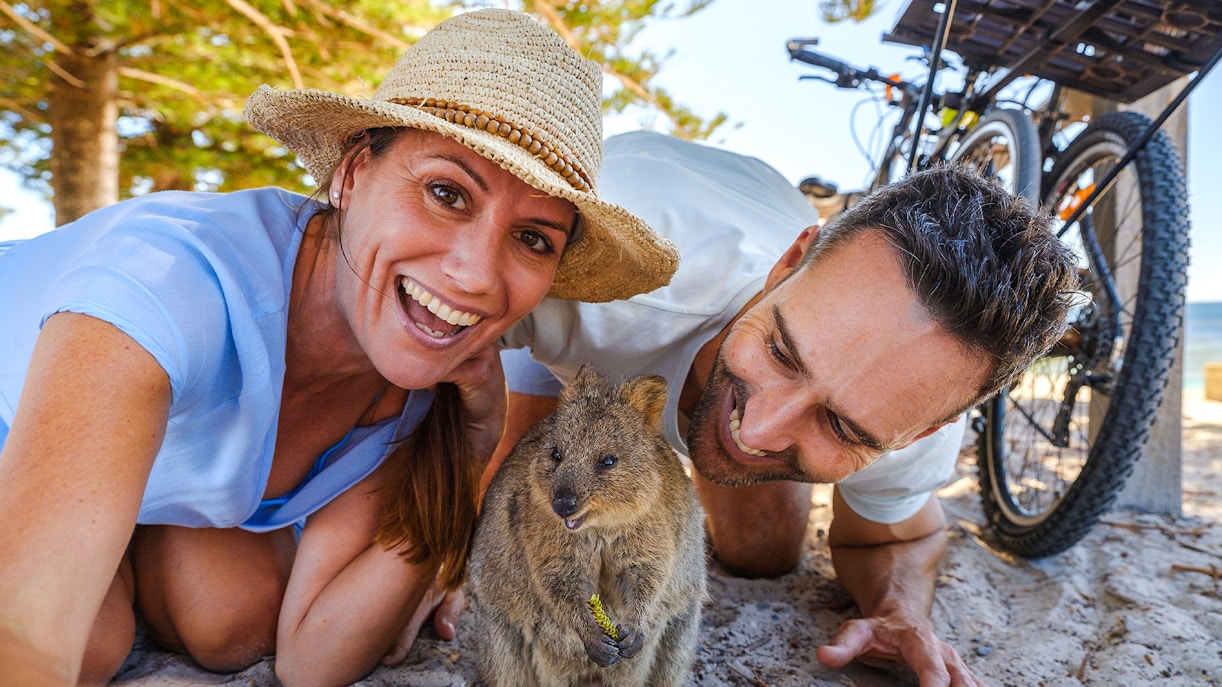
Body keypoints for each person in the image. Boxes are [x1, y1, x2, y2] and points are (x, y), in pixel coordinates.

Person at [0, 10, 678, 687]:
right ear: (353, 172)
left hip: (139, 491)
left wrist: (472, 450)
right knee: (85, 642)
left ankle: (114, 531)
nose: (475, 274)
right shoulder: (169, 284)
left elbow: (314, 657)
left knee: (234, 614)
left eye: (533, 238)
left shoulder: (409, 373)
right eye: (447, 193)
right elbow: (24, 634)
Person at [494, 131, 1078, 686]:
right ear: (789, 264)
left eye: (843, 425)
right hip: (611, 246)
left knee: (763, 554)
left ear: (926, 430)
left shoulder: (915, 409)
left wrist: (901, 611)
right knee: (504, 506)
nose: (760, 429)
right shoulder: (593, 280)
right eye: (782, 351)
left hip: (756, 209)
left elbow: (897, 539)